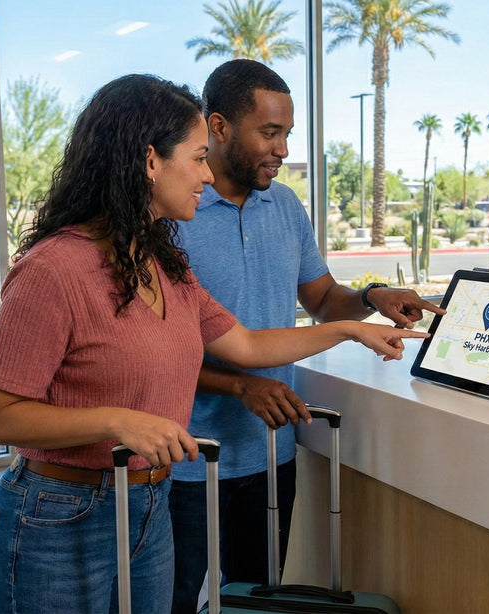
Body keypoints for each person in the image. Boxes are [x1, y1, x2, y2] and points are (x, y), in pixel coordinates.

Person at [0, 73, 427, 614]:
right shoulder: (53, 270)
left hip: (148, 501)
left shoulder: (166, 263)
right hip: (58, 514)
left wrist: (354, 325)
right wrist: (118, 421)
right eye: (196, 159)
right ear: (149, 162)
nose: (207, 175)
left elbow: (248, 346)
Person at [169, 59, 443, 614]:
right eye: (268, 133)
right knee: (171, 601)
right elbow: (155, 351)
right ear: (218, 127)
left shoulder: (286, 206)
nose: (282, 149)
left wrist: (371, 298)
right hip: (186, 459)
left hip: (271, 453)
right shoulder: (173, 215)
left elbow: (320, 301)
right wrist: (239, 385)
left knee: (257, 602)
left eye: (287, 134)